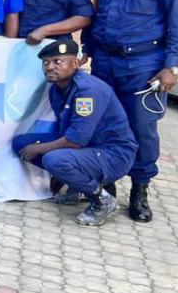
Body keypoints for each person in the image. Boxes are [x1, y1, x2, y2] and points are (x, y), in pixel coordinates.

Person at [83, 0, 178, 222]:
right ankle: (107, 186)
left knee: (142, 129)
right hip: (105, 62)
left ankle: (140, 191)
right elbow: (95, 15)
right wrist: (87, 48)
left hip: (144, 65)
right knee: (103, 124)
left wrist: (172, 65)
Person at [12, 36, 136, 227]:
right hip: (88, 147)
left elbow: (75, 140)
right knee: (21, 143)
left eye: (57, 62)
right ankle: (77, 187)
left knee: (53, 159)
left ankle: (102, 200)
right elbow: (66, 131)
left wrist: (39, 150)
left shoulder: (88, 91)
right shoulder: (57, 88)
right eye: (46, 62)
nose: (50, 67)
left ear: (75, 64)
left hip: (113, 154)